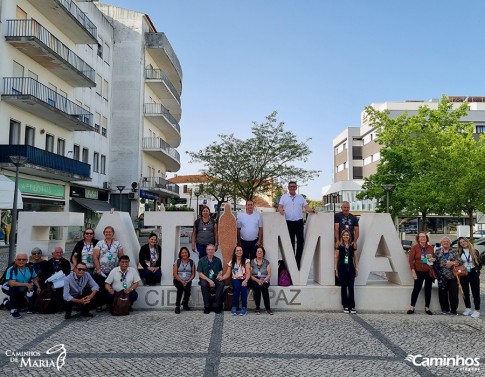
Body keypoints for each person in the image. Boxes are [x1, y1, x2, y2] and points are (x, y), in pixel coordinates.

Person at [278, 181, 316, 268]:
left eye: (294, 186)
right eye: (290, 186)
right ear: (288, 187)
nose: (292, 188)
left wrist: (312, 210)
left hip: (298, 222)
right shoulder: (284, 197)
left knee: (300, 241)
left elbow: (306, 207)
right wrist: (280, 209)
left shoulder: (300, 197)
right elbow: (280, 206)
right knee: (290, 242)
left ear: (296, 188)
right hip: (288, 222)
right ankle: (291, 262)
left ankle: (297, 260)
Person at [93, 226, 124, 311]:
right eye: (106, 232)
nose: (108, 233)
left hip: (113, 271)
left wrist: (120, 269)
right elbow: (95, 257)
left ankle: (111, 304)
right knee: (100, 288)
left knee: (112, 288)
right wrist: (98, 269)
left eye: (110, 232)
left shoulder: (117, 244)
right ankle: (99, 304)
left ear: (113, 233)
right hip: (101, 271)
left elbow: (121, 257)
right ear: (104, 233)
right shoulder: (100, 243)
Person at [1, 253, 41, 318]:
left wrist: (38, 286)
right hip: (8, 287)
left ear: (26, 260)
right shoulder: (12, 269)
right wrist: (27, 284)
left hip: (21, 289)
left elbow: (35, 278)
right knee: (14, 289)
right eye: (19, 259)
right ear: (16, 260)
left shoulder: (30, 268)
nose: (21, 261)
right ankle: (13, 311)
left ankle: (6, 302)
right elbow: (12, 283)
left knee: (21, 306)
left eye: (23, 259)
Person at [407, 232, 435, 315]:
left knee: (428, 289)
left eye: (424, 237)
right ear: (418, 239)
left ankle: (427, 307)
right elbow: (411, 261)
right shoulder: (414, 248)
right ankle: (412, 307)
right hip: (418, 271)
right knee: (416, 289)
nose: (423, 238)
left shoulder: (430, 248)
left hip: (428, 271)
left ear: (426, 238)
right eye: (421, 237)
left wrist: (433, 259)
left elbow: (432, 258)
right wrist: (413, 271)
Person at [433, 236, 460, 315]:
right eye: (444, 242)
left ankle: (454, 310)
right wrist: (433, 260)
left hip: (453, 275)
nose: (445, 243)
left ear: (450, 243)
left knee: (453, 293)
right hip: (442, 276)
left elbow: (460, 261)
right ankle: (445, 309)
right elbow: (435, 262)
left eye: (447, 242)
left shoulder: (454, 250)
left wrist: (452, 263)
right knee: (442, 293)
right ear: (441, 243)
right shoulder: (437, 251)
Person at [335, 229, 359, 314]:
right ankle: (345, 305)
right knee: (344, 287)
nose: (346, 236)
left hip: (351, 267)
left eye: (347, 235)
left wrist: (356, 268)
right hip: (341, 267)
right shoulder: (339, 245)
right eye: (344, 235)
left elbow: (355, 257)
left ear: (350, 237)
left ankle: (352, 306)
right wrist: (336, 269)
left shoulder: (353, 245)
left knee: (351, 286)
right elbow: (336, 257)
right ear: (342, 236)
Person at [222, 245, 251, 316]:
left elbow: (248, 272)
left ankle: (244, 307)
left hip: (244, 279)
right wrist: (221, 278)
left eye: (240, 250)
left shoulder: (246, 261)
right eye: (237, 251)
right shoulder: (232, 262)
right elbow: (227, 274)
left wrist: (246, 280)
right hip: (235, 279)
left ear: (242, 252)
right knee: (237, 287)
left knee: (244, 287)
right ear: (235, 252)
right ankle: (234, 306)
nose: (239, 252)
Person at [197, 244, 224, 314]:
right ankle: (207, 306)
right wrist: (209, 281)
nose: (210, 251)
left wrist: (219, 274)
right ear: (206, 251)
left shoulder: (218, 260)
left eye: (212, 250)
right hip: (205, 278)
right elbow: (200, 273)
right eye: (209, 250)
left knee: (221, 284)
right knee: (204, 285)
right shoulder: (202, 260)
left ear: (214, 250)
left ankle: (216, 305)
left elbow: (220, 270)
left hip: (215, 278)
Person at [457, 237, 481, 318]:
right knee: (465, 292)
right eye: (461, 242)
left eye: (464, 241)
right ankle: (468, 308)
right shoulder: (459, 252)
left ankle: (477, 310)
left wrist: (477, 271)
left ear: (467, 241)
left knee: (475, 292)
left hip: (473, 272)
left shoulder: (475, 251)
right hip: (464, 273)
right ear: (460, 244)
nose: (463, 243)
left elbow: (479, 263)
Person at [44, 247, 71, 311]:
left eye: (61, 252)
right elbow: (45, 273)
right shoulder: (48, 262)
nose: (59, 254)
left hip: (61, 281)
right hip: (50, 281)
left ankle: (61, 305)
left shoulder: (66, 262)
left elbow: (67, 273)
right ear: (53, 253)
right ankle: (48, 305)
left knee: (62, 289)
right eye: (57, 252)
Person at [249, 246, 273, 315]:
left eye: (261, 252)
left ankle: (268, 308)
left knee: (264, 287)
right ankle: (257, 307)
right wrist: (257, 280)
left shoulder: (266, 262)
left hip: (265, 279)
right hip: (255, 279)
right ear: (256, 253)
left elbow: (269, 274)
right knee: (256, 287)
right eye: (258, 251)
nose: (259, 253)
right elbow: (250, 275)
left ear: (263, 253)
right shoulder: (252, 262)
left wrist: (264, 280)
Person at [173, 246, 195, 314]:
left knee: (188, 289)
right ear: (180, 254)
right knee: (180, 288)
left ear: (188, 253)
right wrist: (182, 281)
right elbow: (174, 274)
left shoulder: (191, 262)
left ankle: (185, 303)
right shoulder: (177, 261)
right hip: (178, 280)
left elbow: (193, 274)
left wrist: (188, 281)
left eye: (185, 252)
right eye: (182, 253)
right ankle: (177, 306)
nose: (184, 254)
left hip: (188, 280)